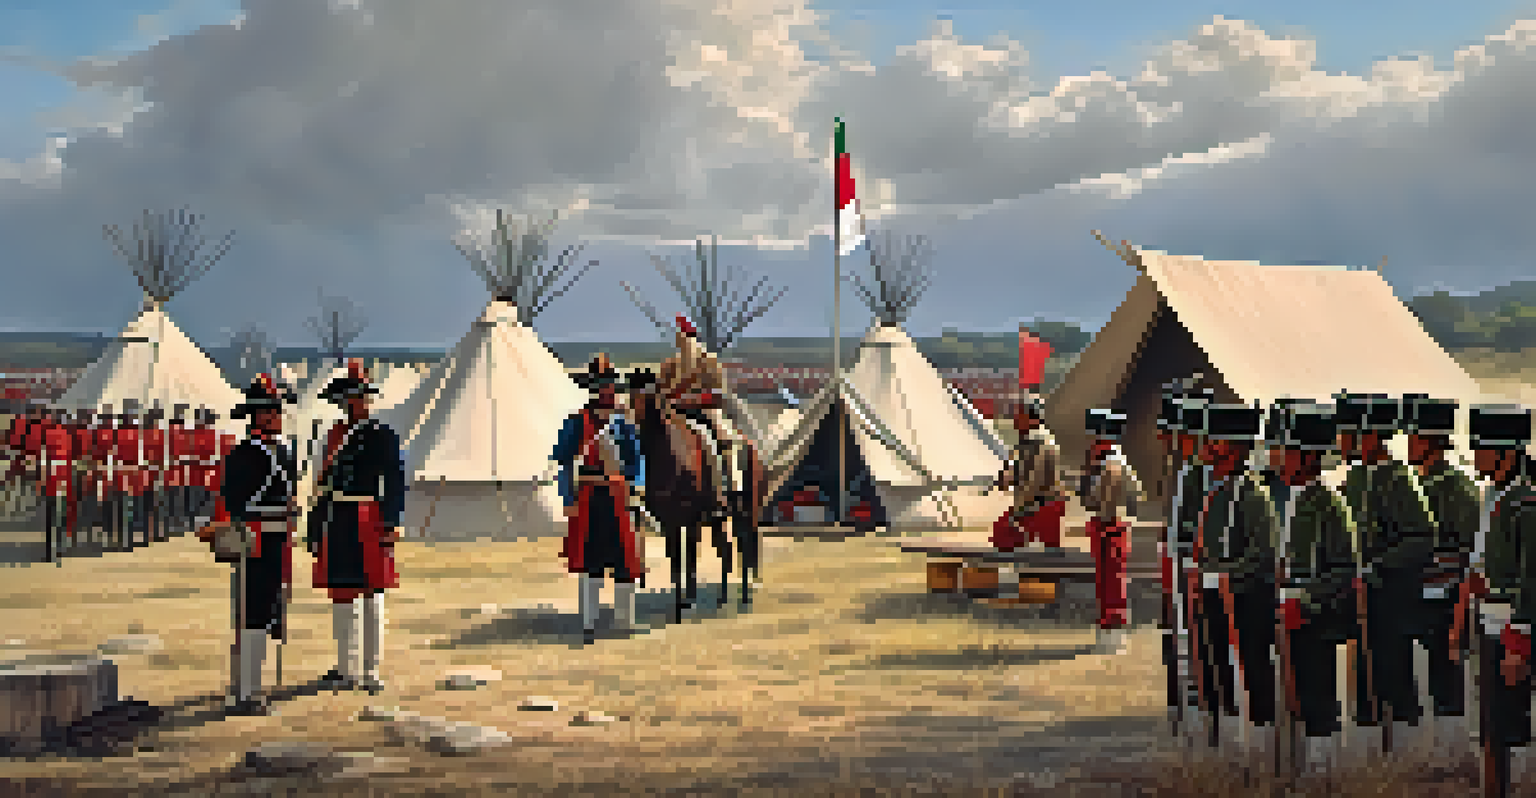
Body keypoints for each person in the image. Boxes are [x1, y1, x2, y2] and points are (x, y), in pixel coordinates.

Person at [305, 361, 406, 695]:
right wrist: (315, 527)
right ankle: (345, 667)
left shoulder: (382, 435)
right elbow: (321, 485)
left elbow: (394, 481)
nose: (355, 403)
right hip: (336, 518)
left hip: (368, 516)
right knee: (341, 594)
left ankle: (370, 669)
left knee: (372, 592)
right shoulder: (331, 436)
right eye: (349, 398)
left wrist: (391, 521)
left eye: (360, 397)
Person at [1451, 404, 1535, 798]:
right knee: (1489, 726)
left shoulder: (1524, 503)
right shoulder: (1493, 496)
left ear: (1505, 453)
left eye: (1482, 448)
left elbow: (1530, 578)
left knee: (1509, 729)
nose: (1476, 456)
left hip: (1511, 628)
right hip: (1487, 624)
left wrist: (1518, 641)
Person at [1343, 394, 1435, 750]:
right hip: (1362, 596)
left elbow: (1422, 538)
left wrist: (1378, 566)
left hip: (1392, 599)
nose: (1340, 441)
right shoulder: (1354, 479)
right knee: (1365, 677)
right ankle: (1369, 755)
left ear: (1368, 436)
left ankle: (1407, 755)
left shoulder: (1399, 479)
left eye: (1348, 433)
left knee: (1395, 672)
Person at [204, 374, 298, 716]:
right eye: (269, 411)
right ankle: (248, 691)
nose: (276, 416)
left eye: (277, 410)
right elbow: (229, 498)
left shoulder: (285, 452)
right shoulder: (244, 453)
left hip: (276, 538)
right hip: (253, 539)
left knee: (266, 608)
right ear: (256, 415)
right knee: (252, 612)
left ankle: (248, 684)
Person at [1272, 402, 1357, 774]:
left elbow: (1344, 571)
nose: (1281, 461)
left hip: (1318, 617)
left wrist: (1304, 600)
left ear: (1308, 457)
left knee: (1320, 696)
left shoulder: (1329, 504)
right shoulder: (1293, 499)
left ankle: (1325, 775)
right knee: (1299, 696)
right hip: (1292, 611)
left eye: (1288, 453)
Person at [1195, 402, 1277, 756]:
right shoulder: (1217, 492)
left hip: (1247, 597)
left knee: (1253, 669)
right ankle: (1228, 744)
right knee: (1218, 669)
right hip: (1217, 593)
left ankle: (1260, 747)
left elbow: (1263, 554)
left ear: (1235, 446)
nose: (1208, 447)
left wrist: (1229, 574)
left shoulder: (1254, 495)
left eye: (1216, 440)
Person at [552, 355, 647, 645]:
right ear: (592, 390)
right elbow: (565, 462)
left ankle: (624, 620)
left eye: (610, 386)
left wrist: (636, 487)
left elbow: (636, 461)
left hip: (618, 496)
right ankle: (588, 621)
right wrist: (568, 497)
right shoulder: (576, 422)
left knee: (625, 560)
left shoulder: (624, 425)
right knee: (590, 560)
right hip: (590, 497)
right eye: (600, 386)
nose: (606, 392)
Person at [1403, 394, 1478, 746]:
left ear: (1431, 442)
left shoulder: (1457, 489)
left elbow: (1465, 555)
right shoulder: (1414, 483)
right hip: (1417, 598)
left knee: (1446, 680)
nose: (1408, 443)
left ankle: (1450, 750)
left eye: (1415, 437)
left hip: (1445, 599)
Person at [657, 315, 743, 520]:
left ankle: (731, 487)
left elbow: (717, 393)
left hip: (704, 410)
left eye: (684, 338)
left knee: (723, 440)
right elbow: (661, 391)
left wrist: (690, 398)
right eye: (679, 339)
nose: (682, 343)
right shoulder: (670, 365)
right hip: (675, 413)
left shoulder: (709, 362)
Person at [1080, 408, 1143, 655]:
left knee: (1113, 582)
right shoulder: (1107, 462)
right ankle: (1108, 633)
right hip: (1107, 524)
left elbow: (1093, 499)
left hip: (1112, 525)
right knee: (1106, 581)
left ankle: (1113, 636)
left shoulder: (1112, 464)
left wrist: (1090, 473)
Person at [992, 395, 1066, 552]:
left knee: (1032, 554)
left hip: (1039, 509)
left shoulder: (1037, 442)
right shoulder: (1032, 441)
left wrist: (1017, 513)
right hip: (1039, 507)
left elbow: (1032, 482)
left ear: (1031, 416)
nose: (1014, 419)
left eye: (1019, 414)